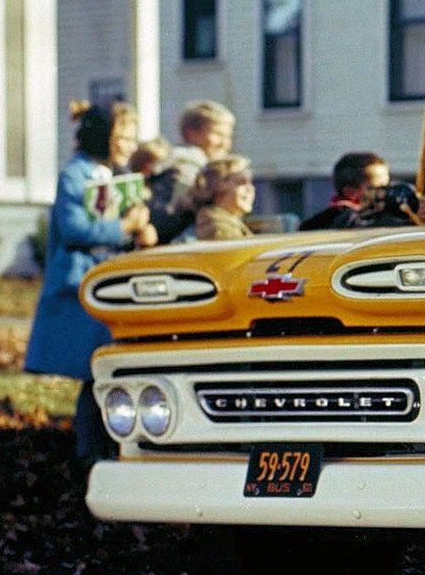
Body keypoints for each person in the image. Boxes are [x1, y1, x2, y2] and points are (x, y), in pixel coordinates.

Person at [25, 100, 157, 465]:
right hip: (81, 284)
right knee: (94, 368)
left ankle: (102, 448)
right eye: (123, 136)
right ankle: (90, 452)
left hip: (104, 281)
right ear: (103, 136)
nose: (130, 145)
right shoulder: (76, 175)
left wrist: (138, 229)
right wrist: (124, 227)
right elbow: (75, 229)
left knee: (104, 369)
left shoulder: (106, 173)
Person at [152, 100, 236, 241]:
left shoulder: (200, 167)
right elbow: (169, 218)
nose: (225, 143)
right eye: (217, 134)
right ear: (190, 134)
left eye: (228, 136)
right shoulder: (185, 168)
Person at [301, 151, 390, 231]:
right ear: (350, 192)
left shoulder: (310, 225)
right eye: (380, 188)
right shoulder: (367, 223)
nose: (387, 192)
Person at [192, 156, 255, 240]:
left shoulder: (227, 222)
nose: (250, 189)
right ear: (219, 186)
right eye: (242, 181)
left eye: (250, 182)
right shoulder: (217, 227)